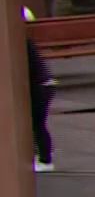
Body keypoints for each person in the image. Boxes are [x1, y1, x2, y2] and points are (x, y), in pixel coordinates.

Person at [27, 36, 53, 173]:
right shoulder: (23, 41)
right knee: (36, 124)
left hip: (40, 85)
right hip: (44, 83)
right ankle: (42, 155)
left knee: (37, 124)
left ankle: (45, 160)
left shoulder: (20, 44)